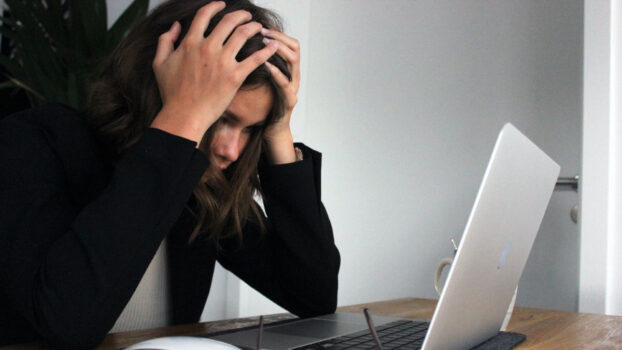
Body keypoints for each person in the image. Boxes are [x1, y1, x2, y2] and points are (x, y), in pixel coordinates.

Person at [0, 0, 340, 348]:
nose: (231, 150)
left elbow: (314, 298)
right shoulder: (32, 142)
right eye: (221, 117)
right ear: (156, 83)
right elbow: (64, 324)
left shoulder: (201, 186)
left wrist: (278, 130)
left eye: (250, 129)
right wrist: (182, 118)